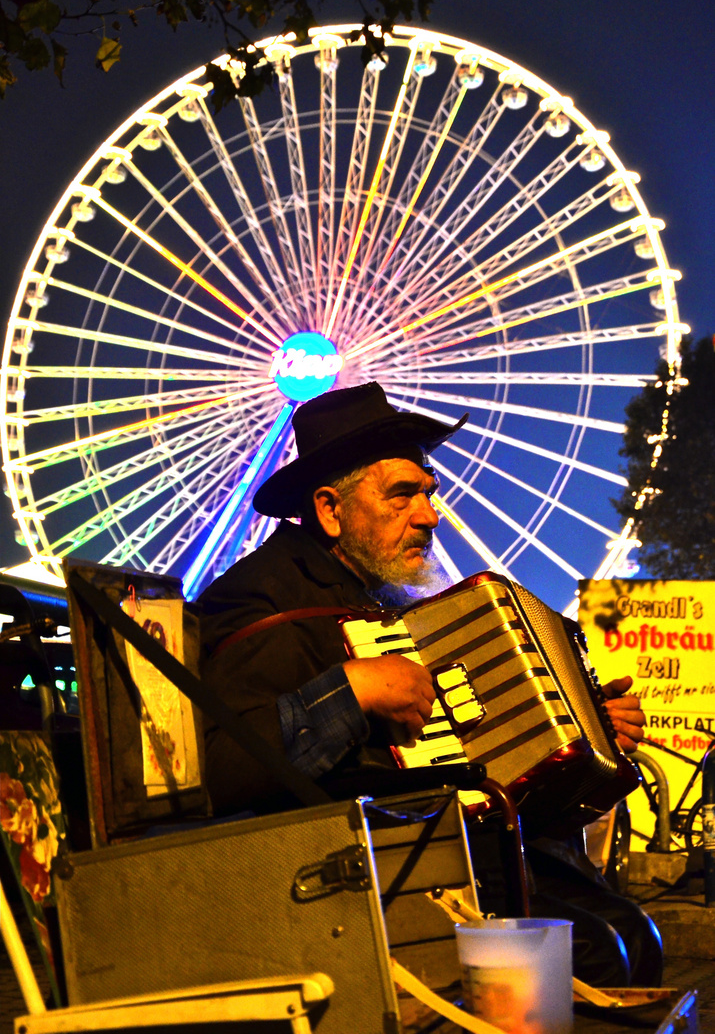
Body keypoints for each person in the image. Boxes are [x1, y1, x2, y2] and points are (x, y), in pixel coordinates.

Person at [200, 381, 662, 987]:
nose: (430, 515)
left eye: (428, 493)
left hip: (465, 858)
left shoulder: (393, 597)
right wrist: (352, 690)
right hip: (359, 886)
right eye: (402, 496)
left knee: (633, 935)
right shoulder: (259, 596)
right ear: (330, 510)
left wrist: (588, 726)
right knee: (600, 954)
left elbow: (475, 741)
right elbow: (220, 765)